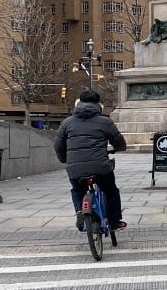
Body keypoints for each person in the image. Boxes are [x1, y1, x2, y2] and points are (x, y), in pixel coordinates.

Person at [54, 89, 127, 230]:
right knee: (111, 190)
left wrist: (65, 160)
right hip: (100, 166)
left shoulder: (67, 123)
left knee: (76, 189)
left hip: (75, 168)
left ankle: (80, 211)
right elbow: (118, 141)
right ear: (98, 104)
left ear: (78, 103)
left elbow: (58, 145)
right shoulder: (105, 122)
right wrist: (119, 148)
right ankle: (115, 221)